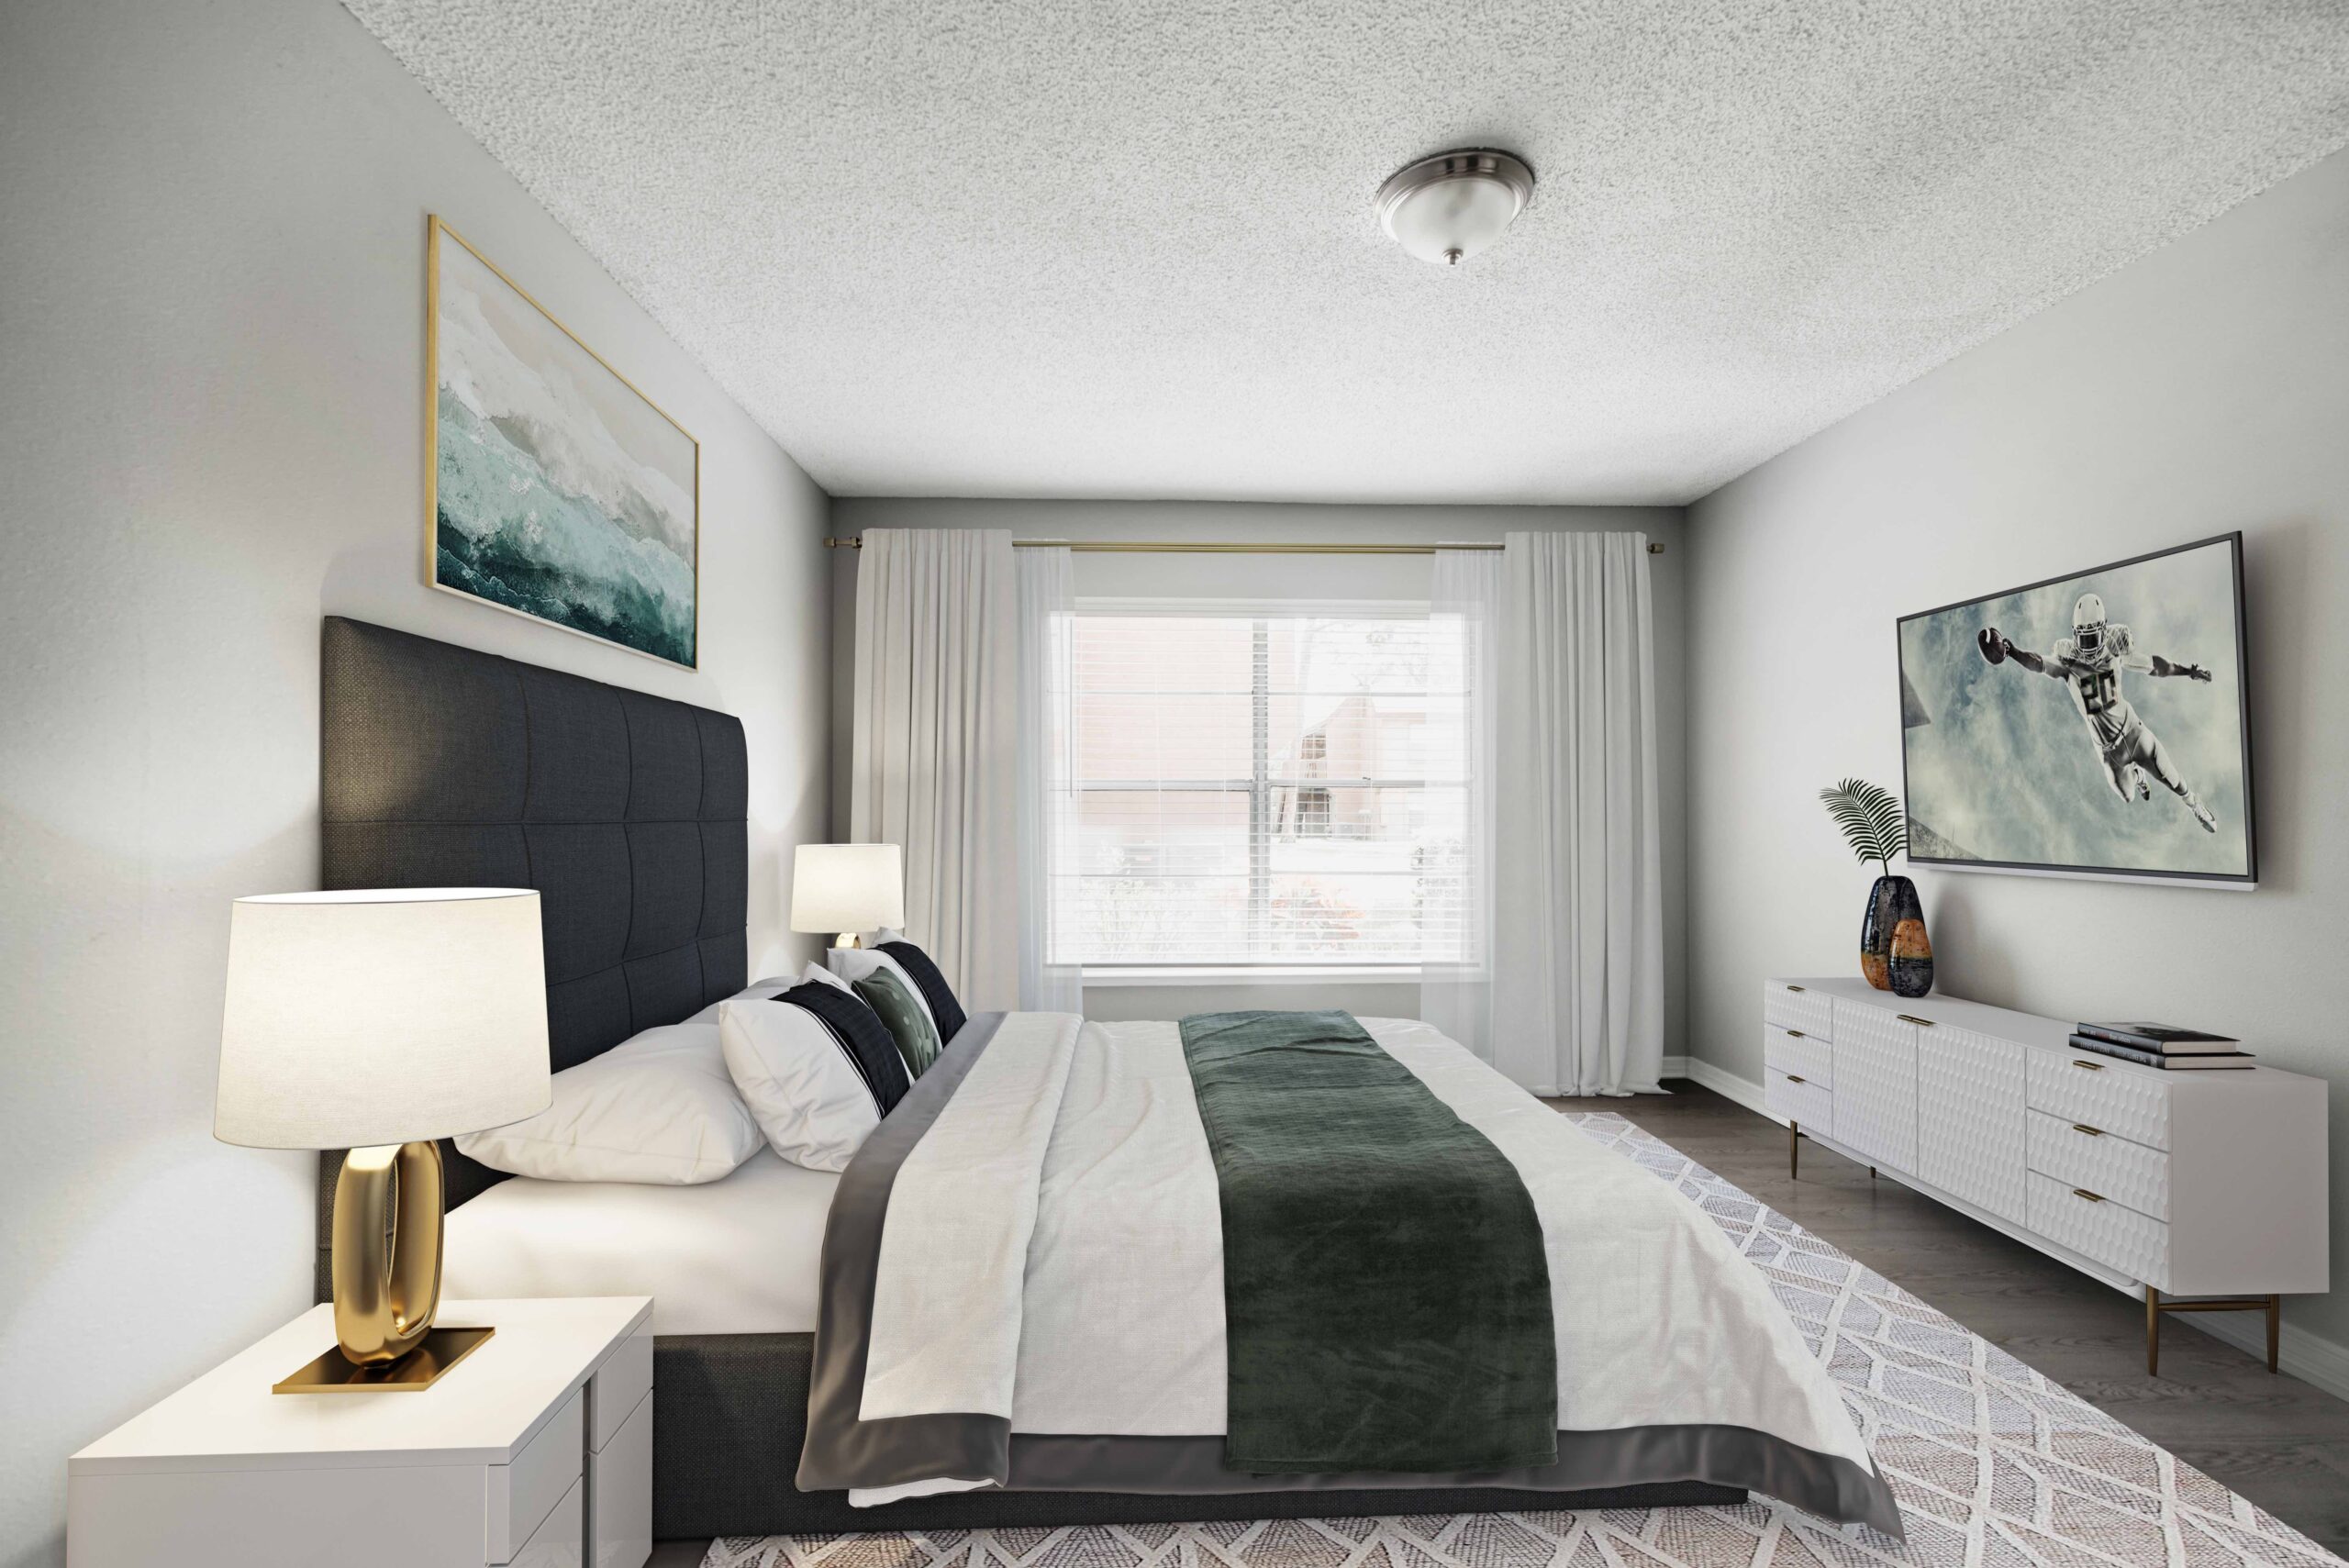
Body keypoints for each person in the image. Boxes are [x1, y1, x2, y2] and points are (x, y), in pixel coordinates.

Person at [1976, 593, 2217, 833]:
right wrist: (2013, 651)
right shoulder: (2067, 663)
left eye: (2094, 638)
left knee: (2172, 779)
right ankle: (2138, 775)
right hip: (2110, 752)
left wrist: (2189, 671)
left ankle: (2194, 805)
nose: (2089, 647)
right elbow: (2038, 663)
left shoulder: (2114, 652)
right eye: (2085, 639)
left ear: (2104, 631)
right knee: (2128, 796)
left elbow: (2156, 667)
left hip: (2134, 731)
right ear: (2075, 635)